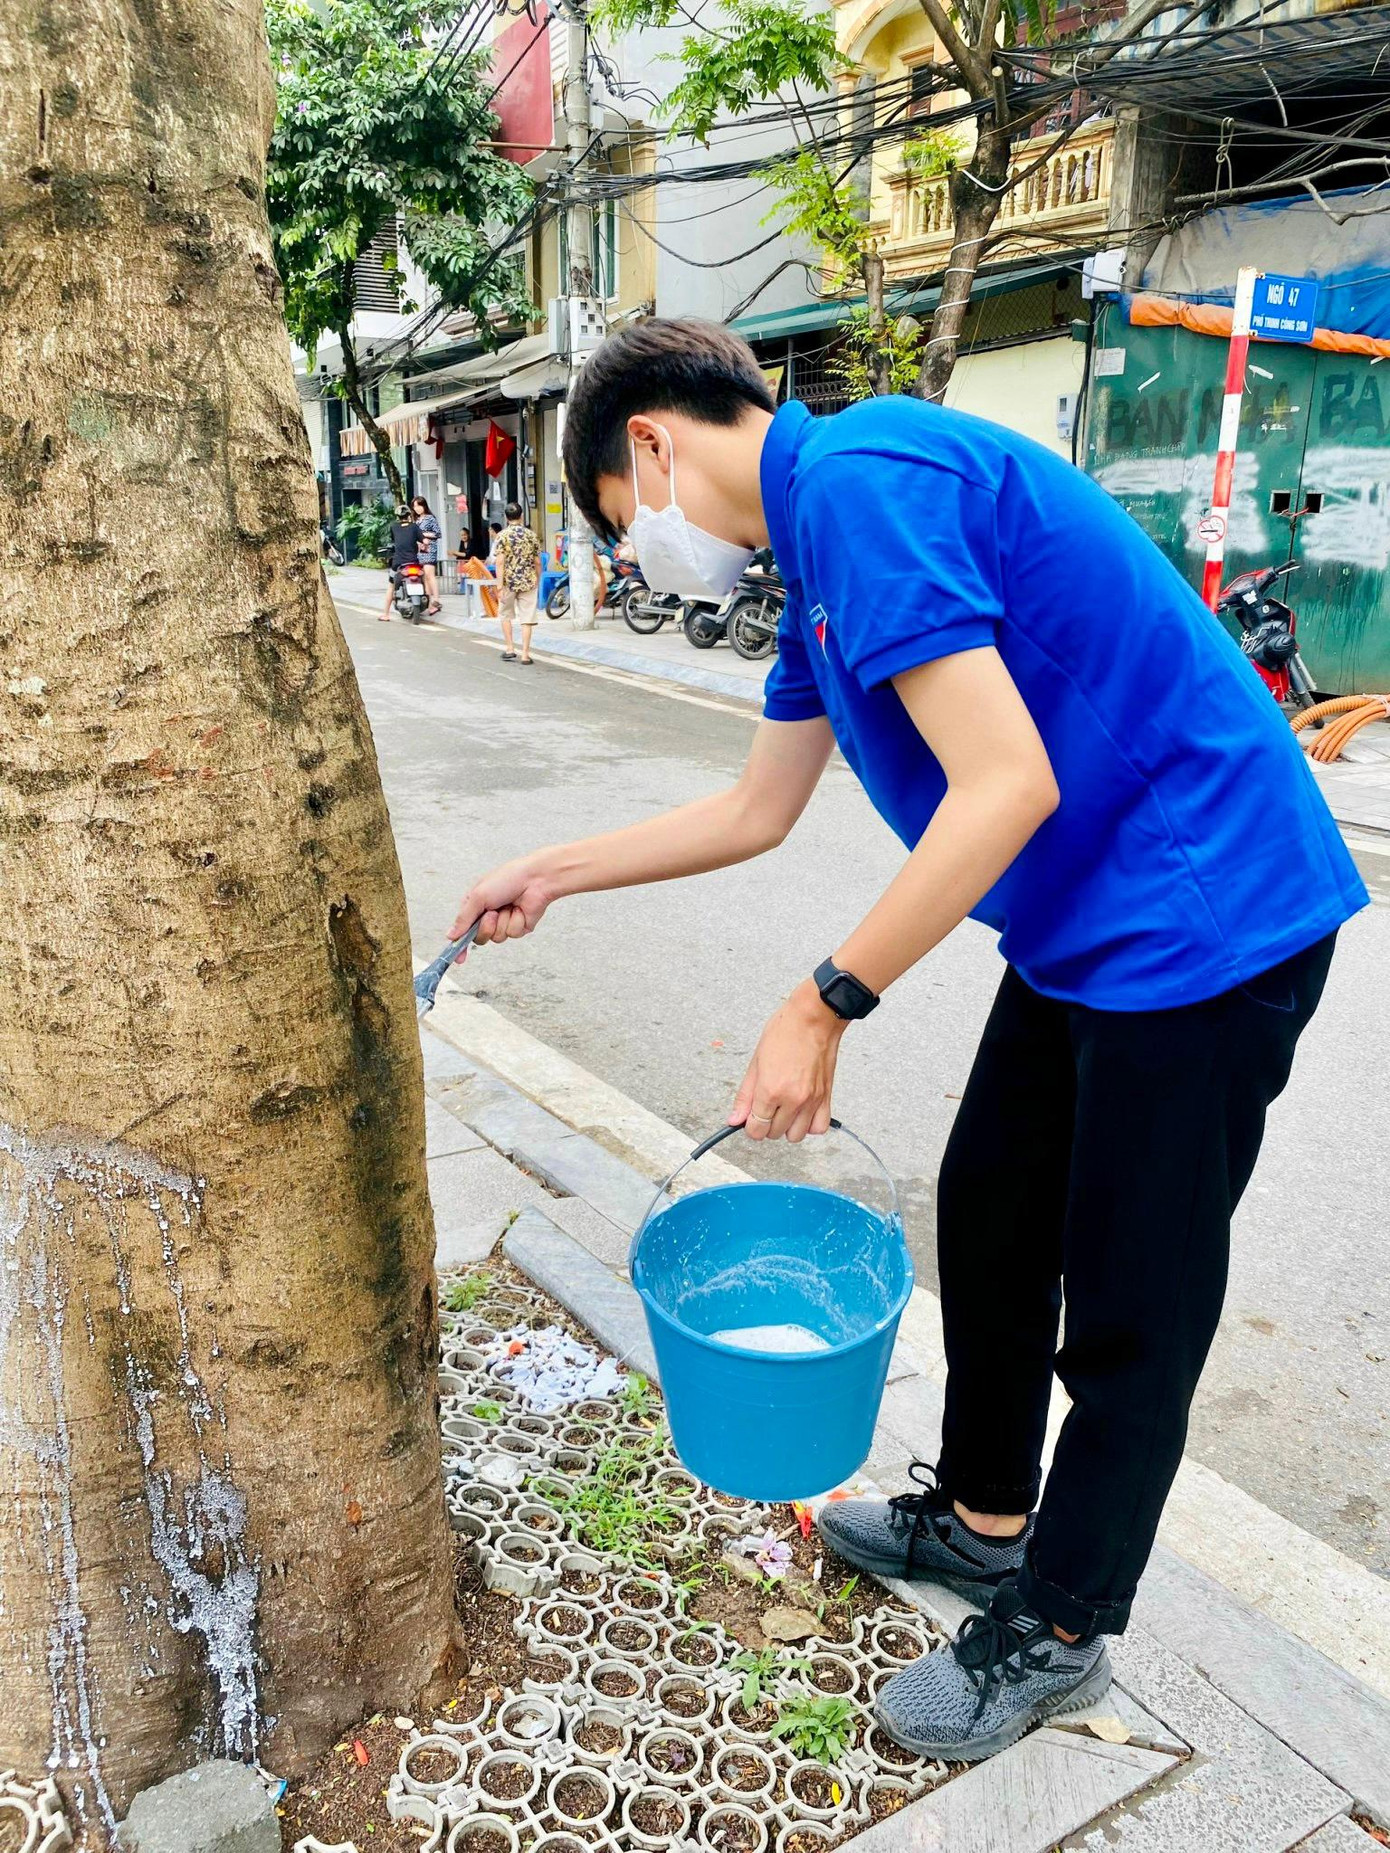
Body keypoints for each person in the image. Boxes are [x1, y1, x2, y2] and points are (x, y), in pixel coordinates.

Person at [448, 318, 1365, 1763]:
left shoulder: (866, 485)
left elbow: (1003, 785)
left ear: (651, 444)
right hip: (1089, 928)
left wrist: (823, 1001)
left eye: (629, 533)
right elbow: (757, 809)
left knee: (1134, 1298)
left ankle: (1059, 1624)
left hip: (1205, 914)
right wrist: (553, 869)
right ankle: (988, 1522)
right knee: (993, 1218)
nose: (647, 560)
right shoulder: (815, 559)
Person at [492, 501, 542, 664]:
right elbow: (538, 561)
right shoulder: (531, 535)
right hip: (528, 580)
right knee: (527, 618)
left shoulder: (502, 536)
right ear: (521, 516)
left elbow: (499, 562)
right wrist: (537, 578)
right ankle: (525, 654)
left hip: (508, 581)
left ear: (506, 518)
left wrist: (499, 585)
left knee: (505, 615)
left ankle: (510, 648)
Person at [380, 504, 422, 622]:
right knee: (425, 578)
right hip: (414, 562)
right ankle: (432, 604)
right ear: (409, 515)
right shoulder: (414, 527)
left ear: (398, 516)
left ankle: (386, 614)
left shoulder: (394, 527)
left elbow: (394, 541)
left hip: (398, 563)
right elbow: (424, 540)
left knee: (391, 586)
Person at [411, 495, 443, 614]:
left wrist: (423, 535)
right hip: (420, 551)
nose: (417, 508)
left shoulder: (430, 518)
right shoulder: (417, 520)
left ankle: (436, 600)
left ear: (424, 505)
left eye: (419, 505)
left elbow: (438, 533)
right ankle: (429, 604)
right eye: (415, 506)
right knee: (425, 577)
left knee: (430, 575)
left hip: (429, 549)